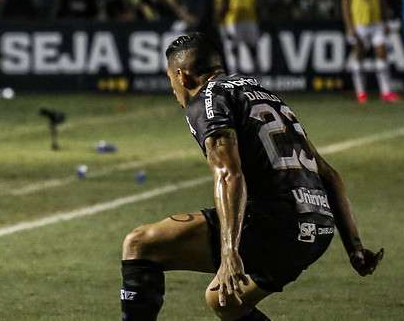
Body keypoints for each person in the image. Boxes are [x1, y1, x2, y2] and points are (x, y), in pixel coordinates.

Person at [120, 33, 383, 321]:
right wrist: (354, 248)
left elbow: (229, 174)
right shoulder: (261, 93)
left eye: (170, 79)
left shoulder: (207, 99)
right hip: (317, 227)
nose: (172, 90)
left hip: (277, 223)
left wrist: (229, 251)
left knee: (140, 244)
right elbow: (329, 175)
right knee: (225, 301)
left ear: (182, 76)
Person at [340, 0, 399, 103]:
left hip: (376, 22)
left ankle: (386, 92)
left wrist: (385, 21)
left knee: (381, 53)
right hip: (359, 23)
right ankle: (361, 93)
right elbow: (345, 4)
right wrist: (349, 26)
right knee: (359, 54)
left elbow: (382, 0)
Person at [220, 0, 263, 74]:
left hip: (250, 18)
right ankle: (235, 76)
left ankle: (257, 75)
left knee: (253, 47)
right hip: (232, 19)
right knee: (233, 48)